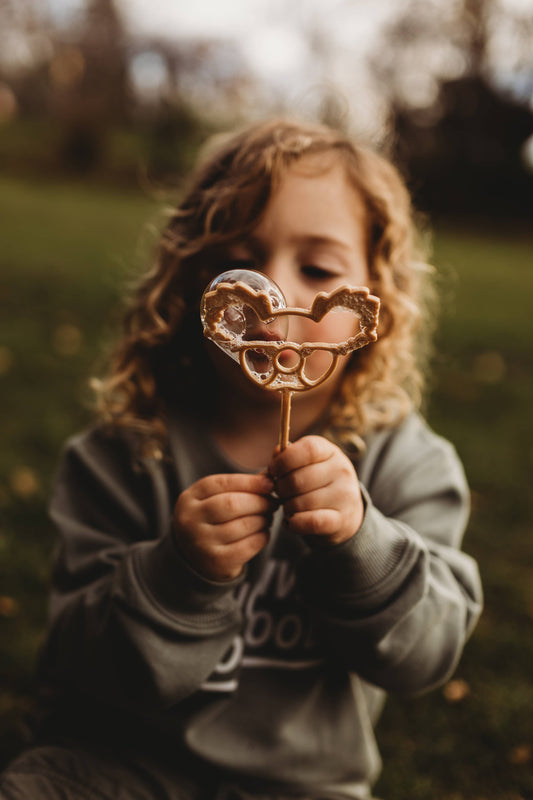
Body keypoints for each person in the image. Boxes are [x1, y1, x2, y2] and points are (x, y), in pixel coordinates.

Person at [0, 118, 482, 800]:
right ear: (192, 284)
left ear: (376, 303)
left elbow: (426, 654)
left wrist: (362, 544)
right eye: (240, 264)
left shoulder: (409, 464)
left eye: (316, 268)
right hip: (121, 765)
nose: (275, 298)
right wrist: (176, 575)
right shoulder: (126, 450)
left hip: (300, 785)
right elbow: (75, 662)